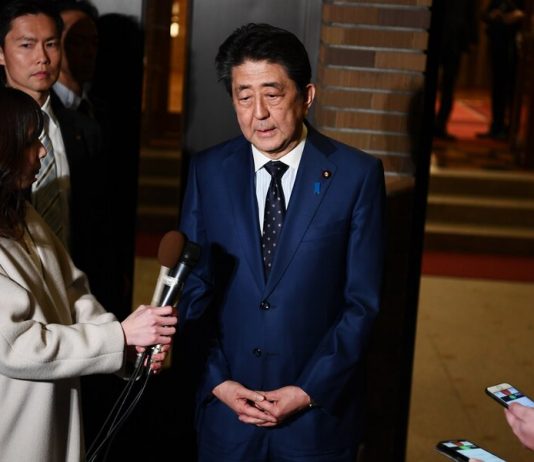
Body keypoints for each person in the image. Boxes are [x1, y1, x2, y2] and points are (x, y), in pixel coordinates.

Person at [178, 23, 386, 461]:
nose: (259, 113)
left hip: (315, 422)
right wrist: (218, 382)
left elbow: (362, 303)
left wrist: (308, 390)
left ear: (306, 96)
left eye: (272, 94)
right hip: (228, 418)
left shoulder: (357, 176)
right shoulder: (208, 171)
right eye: (244, 96)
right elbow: (194, 288)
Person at [0, 86, 178, 461]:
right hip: (14, 423)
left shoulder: (22, 214)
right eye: (31, 141)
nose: (43, 151)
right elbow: (18, 346)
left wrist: (127, 343)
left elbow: (73, 291)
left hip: (54, 410)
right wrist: (118, 336)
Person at [0, 0, 122, 317]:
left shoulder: (86, 129)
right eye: (27, 45)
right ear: (1, 53)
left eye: (51, 44)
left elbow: (101, 228)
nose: (42, 57)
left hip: (78, 302)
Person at [477, 0, 525, 140]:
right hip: (498, 43)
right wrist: (493, 15)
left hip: (516, 47)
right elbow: (484, 15)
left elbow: (527, 15)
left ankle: (512, 129)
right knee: (498, 87)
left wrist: (519, 15)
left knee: (513, 89)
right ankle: (496, 126)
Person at [434, 0, 477, 140]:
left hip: (455, 42)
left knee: (449, 86)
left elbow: (470, 14)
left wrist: (472, 39)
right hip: (438, 38)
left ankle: (441, 125)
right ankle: (430, 124)